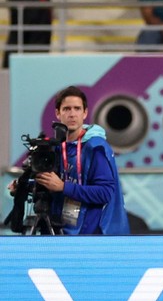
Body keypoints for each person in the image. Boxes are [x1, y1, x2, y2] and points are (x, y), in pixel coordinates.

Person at [35, 86, 129, 235]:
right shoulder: (56, 147)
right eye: (67, 109)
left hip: (91, 235)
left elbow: (105, 193)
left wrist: (63, 187)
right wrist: (24, 186)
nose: (72, 114)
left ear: (85, 113)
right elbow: (51, 184)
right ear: (58, 113)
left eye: (77, 108)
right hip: (61, 230)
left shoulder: (95, 147)